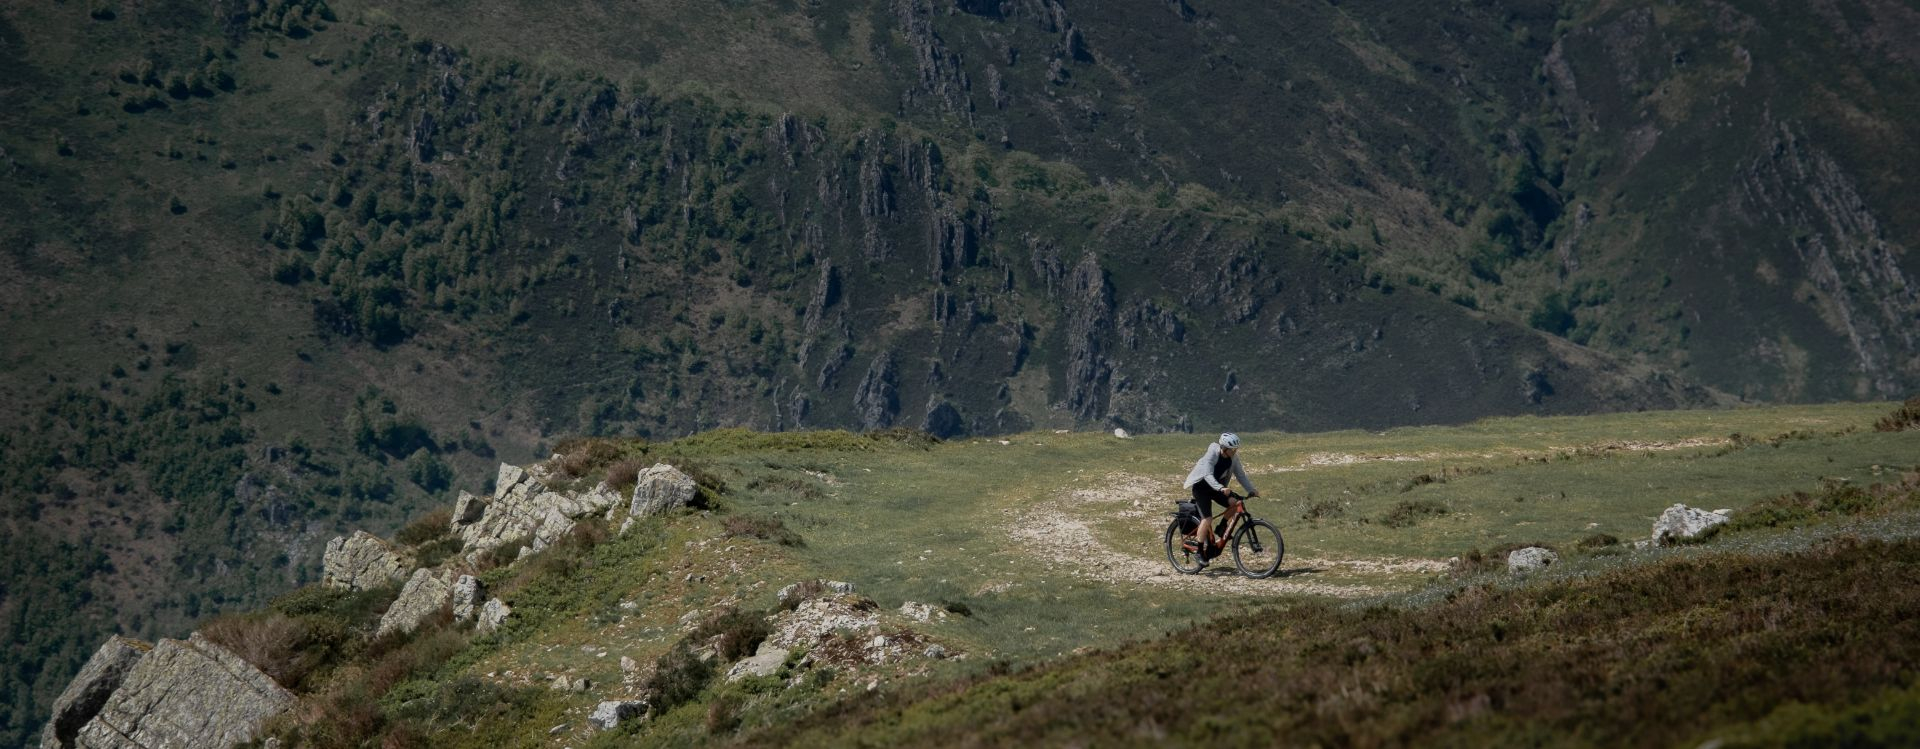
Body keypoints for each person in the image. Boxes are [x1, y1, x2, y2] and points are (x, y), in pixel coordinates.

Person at [1181, 432, 1259, 567]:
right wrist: (1221, 488)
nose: (1235, 451)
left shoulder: (1233, 458)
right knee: (1207, 519)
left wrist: (1251, 490)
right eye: (1233, 449)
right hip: (1201, 488)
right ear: (1224, 448)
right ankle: (1199, 551)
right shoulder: (1212, 453)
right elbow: (1207, 475)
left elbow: (1241, 475)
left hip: (1216, 488)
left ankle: (1222, 527)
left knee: (1235, 503)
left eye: (1236, 449)